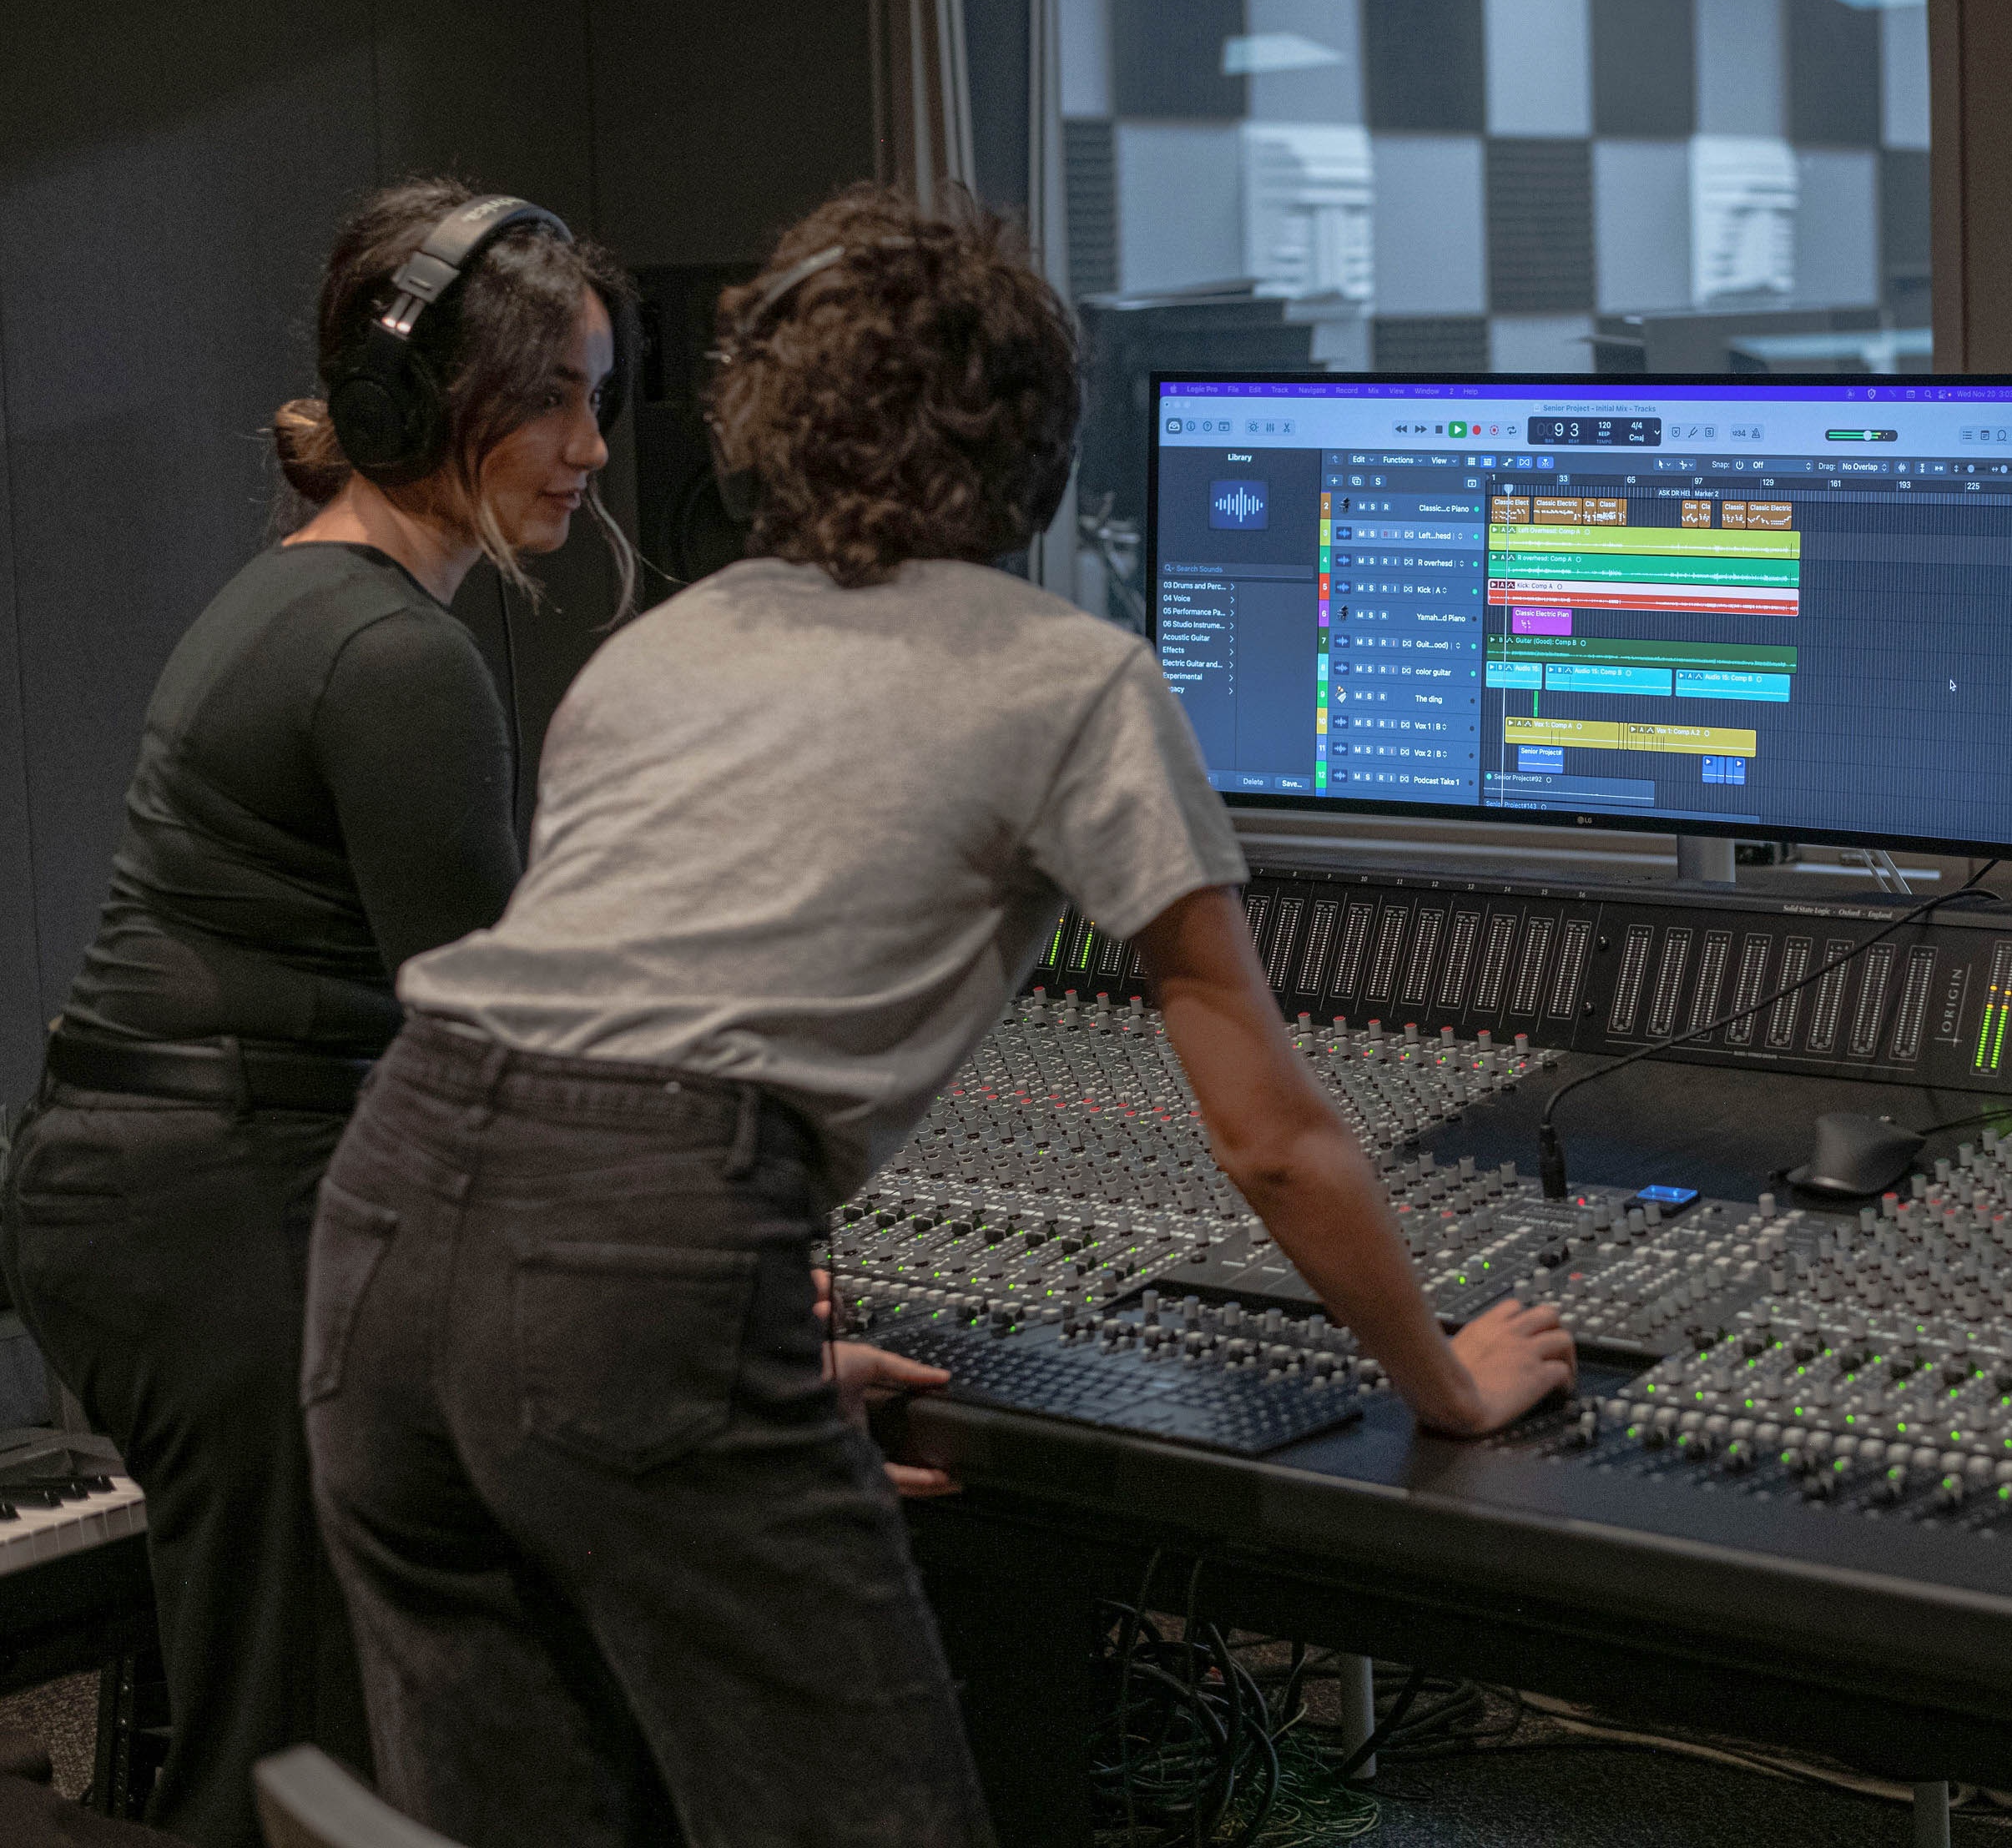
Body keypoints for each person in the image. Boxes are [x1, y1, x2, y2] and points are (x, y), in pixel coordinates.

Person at [303, 183, 1575, 1848]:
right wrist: (1450, 1388)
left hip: (380, 1235)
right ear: (1035, 443)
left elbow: (572, 1081)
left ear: (764, 420)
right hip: (641, 1274)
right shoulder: (1072, 681)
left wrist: (714, 1349)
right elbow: (1272, 1140)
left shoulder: (650, 656)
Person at [0, 178, 634, 1848]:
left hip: (163, 1195)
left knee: (312, 1720)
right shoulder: (394, 657)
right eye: (556, 396)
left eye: (600, 395)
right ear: (422, 405)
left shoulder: (301, 597)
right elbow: (494, 1077)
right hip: (218, 1209)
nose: (593, 446)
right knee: (306, 1757)